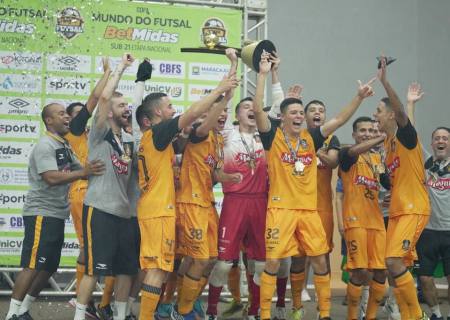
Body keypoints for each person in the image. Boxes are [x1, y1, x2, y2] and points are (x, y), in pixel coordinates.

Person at [254, 52, 375, 320]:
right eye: (294, 113)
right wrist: (263, 74)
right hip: (281, 210)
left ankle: (323, 314)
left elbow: (340, 120)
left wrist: (359, 97)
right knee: (273, 261)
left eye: (301, 112)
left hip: (309, 211)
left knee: (320, 260)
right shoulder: (272, 138)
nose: (299, 116)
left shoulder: (313, 138)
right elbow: (257, 111)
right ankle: (264, 314)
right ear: (284, 118)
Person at [135, 70, 238, 320]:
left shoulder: (162, 141)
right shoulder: (157, 134)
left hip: (163, 209)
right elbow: (192, 117)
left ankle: (171, 310)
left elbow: (187, 145)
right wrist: (218, 91)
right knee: (159, 269)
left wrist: (224, 97)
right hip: (160, 210)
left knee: (167, 266)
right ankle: (164, 312)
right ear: (158, 113)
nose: (173, 110)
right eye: (169, 106)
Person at [5, 103, 104, 320]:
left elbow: (83, 172)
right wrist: (84, 172)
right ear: (49, 121)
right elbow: (50, 177)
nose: (67, 117)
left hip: (57, 213)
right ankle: (12, 313)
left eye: (67, 114)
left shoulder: (65, 145)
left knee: (49, 266)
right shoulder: (45, 145)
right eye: (61, 114)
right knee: (31, 266)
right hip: (41, 212)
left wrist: (105, 168)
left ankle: (23, 309)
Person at [74, 53, 138, 320]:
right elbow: (101, 100)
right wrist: (120, 69)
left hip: (125, 214)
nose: (127, 108)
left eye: (128, 104)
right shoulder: (100, 132)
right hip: (99, 209)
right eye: (122, 105)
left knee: (126, 270)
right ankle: (79, 316)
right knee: (93, 268)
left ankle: (120, 316)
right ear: (110, 111)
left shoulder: (128, 139)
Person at [206, 50, 267, 319]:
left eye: (255, 108)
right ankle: (211, 311)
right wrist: (232, 64)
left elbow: (270, 106)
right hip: (235, 203)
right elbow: (224, 98)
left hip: (261, 204)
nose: (252, 110)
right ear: (236, 115)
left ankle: (254, 311)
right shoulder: (228, 134)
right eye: (246, 108)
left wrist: (267, 74)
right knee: (223, 263)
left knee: (260, 264)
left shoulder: (267, 138)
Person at [373, 57, 430, 320]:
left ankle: (416, 316)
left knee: (394, 261)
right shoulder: (388, 145)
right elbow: (390, 180)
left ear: (391, 115)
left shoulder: (406, 138)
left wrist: (386, 83)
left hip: (413, 209)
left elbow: (405, 119)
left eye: (378, 111)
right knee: (393, 265)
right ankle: (408, 315)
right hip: (396, 211)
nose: (376, 115)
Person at [64, 57, 112, 320]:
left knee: (93, 248)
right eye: (76, 115)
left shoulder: (93, 135)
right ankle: (83, 302)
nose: (83, 115)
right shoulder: (74, 132)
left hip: (97, 194)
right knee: (88, 248)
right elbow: (94, 101)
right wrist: (107, 73)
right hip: (83, 193)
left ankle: (94, 303)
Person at [338, 117, 388, 320]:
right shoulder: (347, 154)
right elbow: (352, 152)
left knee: (381, 272)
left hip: (377, 222)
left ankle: (370, 316)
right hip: (355, 221)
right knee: (358, 271)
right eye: (363, 130)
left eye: (371, 130)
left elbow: (390, 184)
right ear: (354, 135)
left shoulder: (378, 160)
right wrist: (381, 137)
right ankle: (352, 317)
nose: (367, 133)